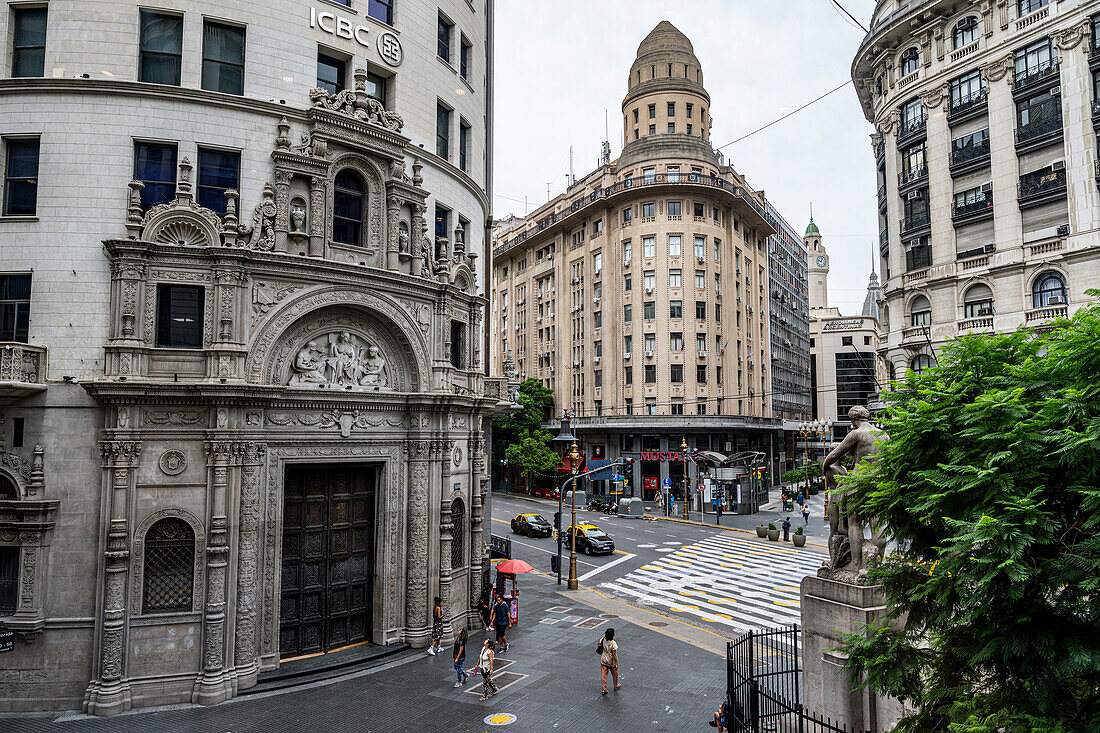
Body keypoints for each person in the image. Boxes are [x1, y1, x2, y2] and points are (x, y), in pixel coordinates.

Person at [598, 627, 620, 694]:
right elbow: (614, 655)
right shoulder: (613, 643)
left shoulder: (603, 639)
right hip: (611, 662)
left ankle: (604, 689)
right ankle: (615, 685)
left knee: (604, 675)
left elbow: (598, 644)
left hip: (604, 660)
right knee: (615, 674)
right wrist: (616, 663)